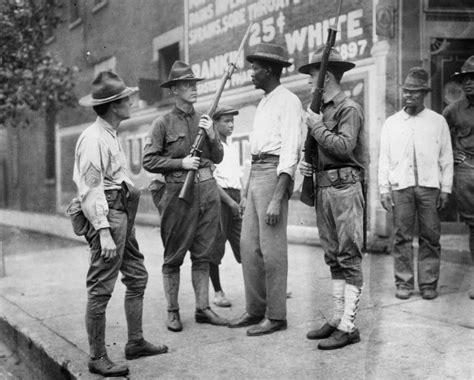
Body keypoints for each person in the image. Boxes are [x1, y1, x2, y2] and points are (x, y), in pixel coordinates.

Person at [71, 71, 168, 377]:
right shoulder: (93, 138)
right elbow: (91, 187)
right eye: (127, 98)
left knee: (137, 276)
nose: (131, 101)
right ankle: (97, 357)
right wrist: (103, 232)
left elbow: (117, 179)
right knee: (101, 287)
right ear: (114, 105)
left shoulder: (109, 134)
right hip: (108, 218)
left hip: (121, 213)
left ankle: (135, 342)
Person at [142, 61, 228, 332]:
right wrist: (180, 164)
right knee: (174, 255)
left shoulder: (205, 118)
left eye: (194, 84)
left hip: (207, 191)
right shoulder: (162, 123)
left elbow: (218, 157)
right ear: (174, 91)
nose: (192, 88)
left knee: (204, 253)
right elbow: (149, 160)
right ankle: (172, 311)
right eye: (186, 85)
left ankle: (203, 309)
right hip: (179, 194)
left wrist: (212, 135)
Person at [229, 43, 304, 336]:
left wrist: (277, 196)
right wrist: (247, 190)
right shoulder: (264, 102)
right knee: (249, 247)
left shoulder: (288, 101)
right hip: (257, 172)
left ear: (270, 70)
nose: (251, 73)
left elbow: (291, 152)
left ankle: (276, 315)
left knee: (272, 251)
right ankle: (255, 309)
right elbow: (255, 152)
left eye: (256, 68)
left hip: (274, 175)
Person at [299, 48, 368, 350]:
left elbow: (343, 147)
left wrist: (314, 125)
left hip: (344, 189)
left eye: (312, 76)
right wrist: (308, 164)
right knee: (333, 255)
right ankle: (339, 318)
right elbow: (322, 151)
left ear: (325, 77)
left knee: (349, 255)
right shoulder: (323, 109)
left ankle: (349, 326)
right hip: (326, 187)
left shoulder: (347, 108)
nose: (309, 83)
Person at [379, 67, 453, 301]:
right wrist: (384, 189)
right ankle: (403, 282)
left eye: (415, 92)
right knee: (401, 236)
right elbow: (385, 159)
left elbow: (446, 157)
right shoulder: (392, 123)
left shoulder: (437, 121)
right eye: (406, 91)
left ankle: (429, 283)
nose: (409, 96)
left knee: (431, 236)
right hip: (401, 187)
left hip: (430, 187)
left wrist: (446, 189)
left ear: (424, 94)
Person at [443, 56, 474, 299]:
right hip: (467, 172)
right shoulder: (453, 110)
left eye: (473, 78)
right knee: (473, 227)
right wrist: (454, 155)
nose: (469, 84)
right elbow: (440, 138)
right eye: (465, 80)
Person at [210, 106, 243, 308]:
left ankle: (263, 287)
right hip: (220, 199)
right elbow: (212, 181)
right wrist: (230, 202)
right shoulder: (213, 148)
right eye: (226, 121)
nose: (231, 125)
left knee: (246, 245)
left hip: (235, 196)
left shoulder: (231, 147)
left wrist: (242, 198)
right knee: (216, 246)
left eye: (232, 121)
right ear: (215, 123)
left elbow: (238, 177)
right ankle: (218, 291)